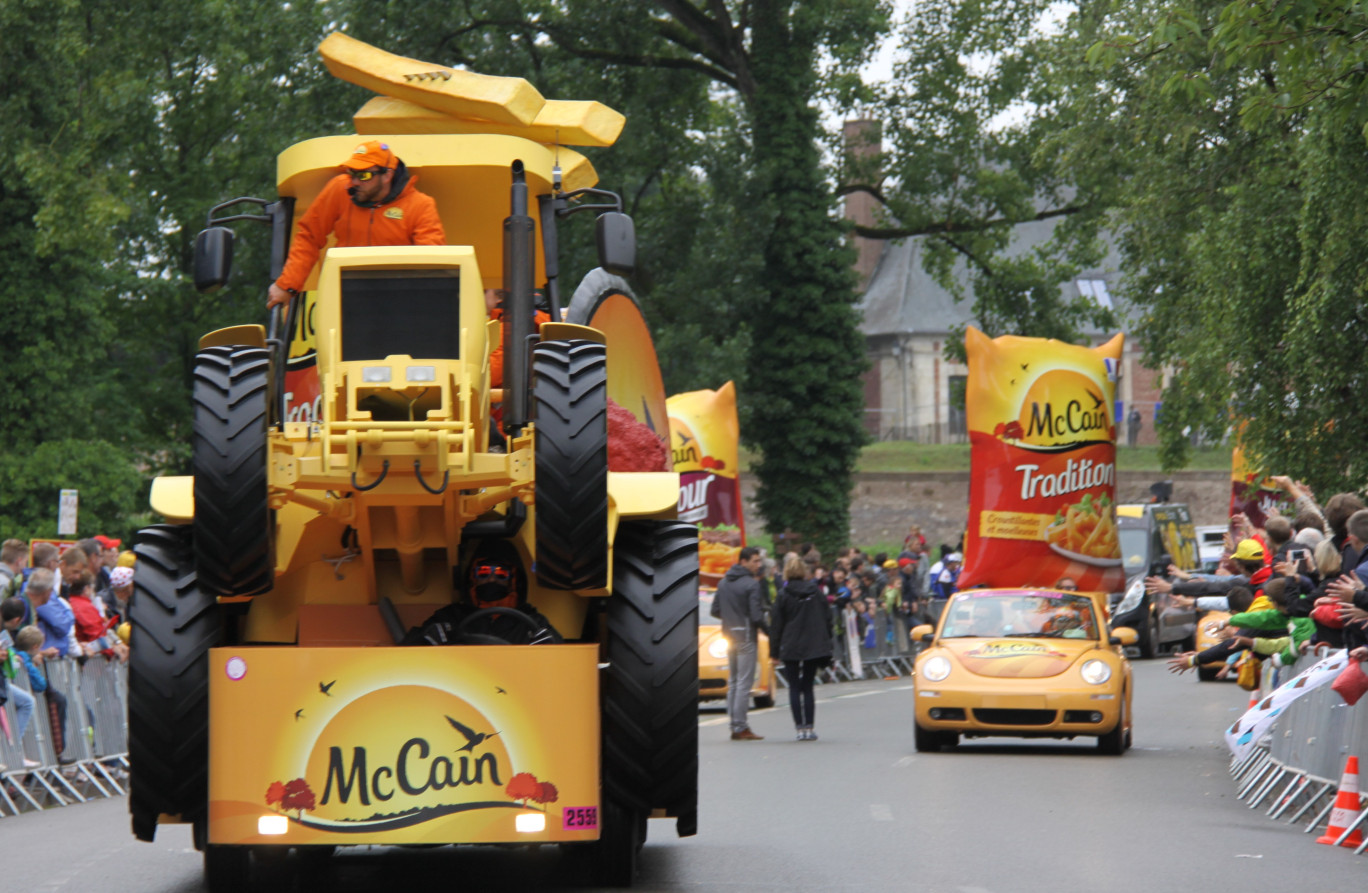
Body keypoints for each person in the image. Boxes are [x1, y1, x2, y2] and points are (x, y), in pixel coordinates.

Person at [266, 140, 446, 309]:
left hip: (399, 305)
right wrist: (287, 286)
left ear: (387, 176)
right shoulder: (339, 189)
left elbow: (432, 265)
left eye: (364, 175)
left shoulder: (420, 206)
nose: (355, 182)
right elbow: (309, 236)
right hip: (345, 299)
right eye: (352, 174)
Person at [404, 541, 558, 646]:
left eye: (501, 573)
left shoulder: (532, 624)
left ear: (514, 581)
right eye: (483, 572)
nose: (491, 579)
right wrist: (427, 638)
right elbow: (407, 654)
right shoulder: (451, 617)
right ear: (473, 577)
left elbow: (565, 665)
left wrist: (549, 647)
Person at [770, 554, 833, 741]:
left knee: (794, 687)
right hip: (813, 644)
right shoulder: (816, 593)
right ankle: (810, 727)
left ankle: (799, 728)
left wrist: (774, 652)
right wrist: (827, 642)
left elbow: (776, 625)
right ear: (805, 572)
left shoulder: (783, 595)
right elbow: (827, 618)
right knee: (808, 686)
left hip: (791, 644)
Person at [712, 546, 767, 741]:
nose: (758, 565)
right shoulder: (751, 584)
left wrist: (729, 618)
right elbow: (756, 614)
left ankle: (735, 725)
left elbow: (715, 609)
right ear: (743, 562)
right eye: (755, 561)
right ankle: (741, 726)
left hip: (728, 635)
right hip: (745, 635)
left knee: (734, 682)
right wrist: (767, 630)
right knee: (744, 682)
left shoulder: (723, 582)